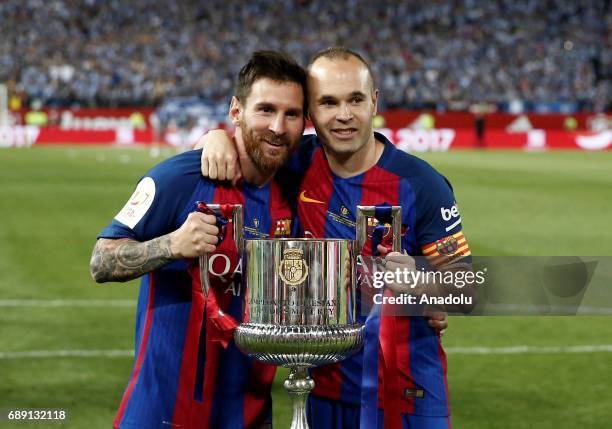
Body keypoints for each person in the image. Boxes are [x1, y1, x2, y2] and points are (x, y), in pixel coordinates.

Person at [197, 47, 471, 429]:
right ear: (311, 113)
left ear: (374, 101)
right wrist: (216, 138)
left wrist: (419, 279)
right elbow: (247, 145)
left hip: (406, 394)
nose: (344, 115)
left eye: (355, 99)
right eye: (328, 103)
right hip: (316, 388)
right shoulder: (297, 163)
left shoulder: (421, 184)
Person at [89, 50, 307, 429]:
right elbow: (101, 261)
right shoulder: (181, 177)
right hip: (160, 413)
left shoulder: (295, 192)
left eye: (291, 114)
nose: (277, 125)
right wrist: (172, 245)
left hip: (250, 415)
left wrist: (425, 295)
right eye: (265, 109)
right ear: (236, 111)